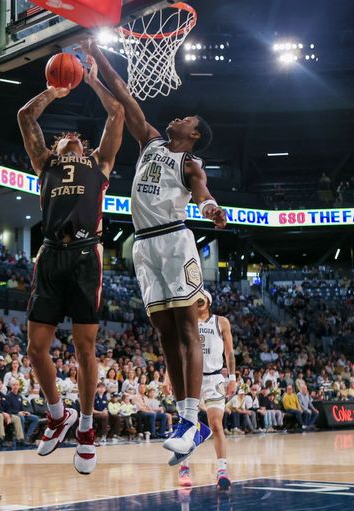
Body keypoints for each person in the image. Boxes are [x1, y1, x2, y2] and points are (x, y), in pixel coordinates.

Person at [86, 39, 226, 464]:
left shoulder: (190, 164)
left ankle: (189, 419)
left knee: (187, 330)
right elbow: (126, 99)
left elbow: (202, 191)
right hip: (143, 246)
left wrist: (211, 208)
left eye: (186, 118)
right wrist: (98, 63)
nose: (177, 117)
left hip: (174, 239)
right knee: (165, 335)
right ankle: (189, 423)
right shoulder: (149, 141)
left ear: (194, 135)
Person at [17, 55, 124, 475]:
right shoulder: (44, 163)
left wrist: (94, 81)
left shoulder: (100, 163)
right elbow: (26, 114)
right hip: (50, 255)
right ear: (55, 148)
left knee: (84, 348)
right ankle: (56, 414)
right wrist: (55, 91)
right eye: (65, 138)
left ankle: (84, 428)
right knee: (35, 348)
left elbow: (116, 111)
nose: (72, 138)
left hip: (85, 255)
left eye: (77, 137)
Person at [178, 291, 235, 489]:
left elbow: (229, 352)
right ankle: (184, 467)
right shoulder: (187, 323)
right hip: (191, 378)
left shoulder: (221, 322)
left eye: (201, 299)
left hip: (215, 379)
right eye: (195, 300)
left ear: (209, 301)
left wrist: (233, 378)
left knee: (216, 424)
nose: (198, 302)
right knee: (188, 424)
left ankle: (222, 470)